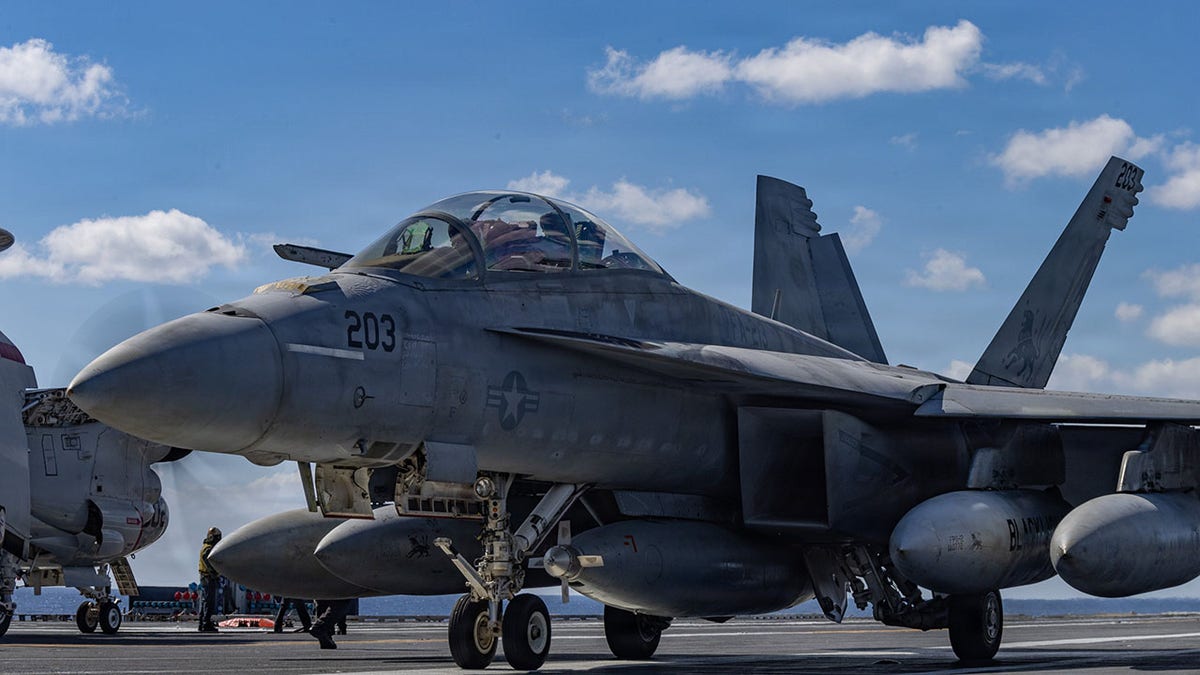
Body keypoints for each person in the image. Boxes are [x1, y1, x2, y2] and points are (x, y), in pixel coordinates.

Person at [197, 527, 222, 633]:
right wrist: (214, 573)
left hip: (205, 577)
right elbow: (208, 562)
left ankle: (202, 623)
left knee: (205, 602)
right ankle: (206, 624)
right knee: (208, 602)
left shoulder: (206, 547)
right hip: (208, 577)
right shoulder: (208, 549)